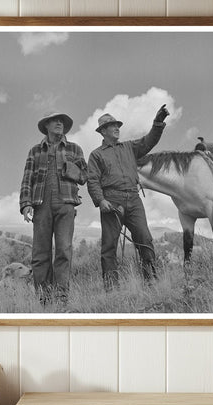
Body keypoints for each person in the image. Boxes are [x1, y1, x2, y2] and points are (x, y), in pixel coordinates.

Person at [87, 105, 169, 291]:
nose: (117, 128)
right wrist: (101, 200)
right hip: (111, 201)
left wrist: (158, 123)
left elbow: (149, 141)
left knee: (145, 239)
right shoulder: (96, 155)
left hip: (133, 198)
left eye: (117, 125)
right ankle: (111, 288)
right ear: (103, 131)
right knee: (109, 246)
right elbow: (92, 180)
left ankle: (151, 281)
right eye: (112, 126)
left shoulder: (129, 147)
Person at [19, 112, 87, 303]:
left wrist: (69, 168)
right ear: (46, 126)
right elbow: (27, 179)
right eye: (55, 121)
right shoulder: (35, 151)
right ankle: (43, 298)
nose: (59, 124)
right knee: (40, 253)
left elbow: (84, 176)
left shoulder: (74, 149)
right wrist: (25, 204)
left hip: (66, 204)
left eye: (62, 122)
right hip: (41, 206)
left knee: (64, 250)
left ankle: (61, 297)